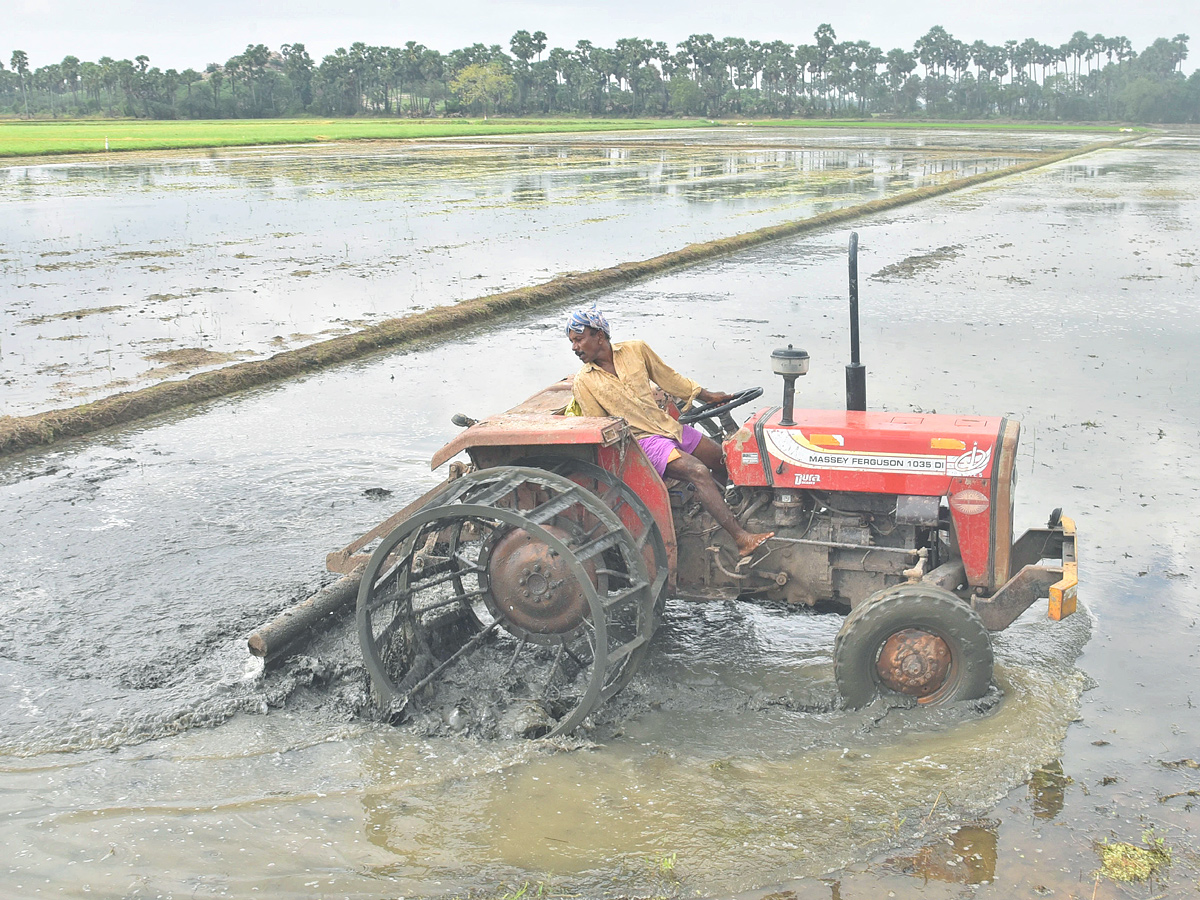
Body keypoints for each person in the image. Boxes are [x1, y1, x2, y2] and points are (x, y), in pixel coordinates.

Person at [566, 305, 774, 558]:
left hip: (667, 426)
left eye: (578, 339)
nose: (575, 347)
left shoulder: (635, 350)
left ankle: (736, 511)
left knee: (724, 459)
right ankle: (741, 539)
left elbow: (669, 379)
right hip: (641, 441)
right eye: (572, 342)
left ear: (599, 335)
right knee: (697, 472)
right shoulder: (584, 381)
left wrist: (708, 396)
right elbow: (598, 426)